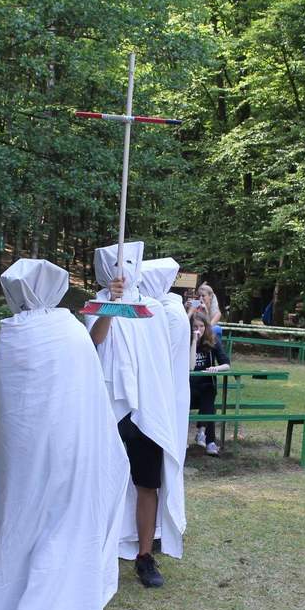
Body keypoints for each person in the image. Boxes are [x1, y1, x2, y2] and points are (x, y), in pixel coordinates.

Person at [0, 258, 130, 610]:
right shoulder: (63, 328)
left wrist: (110, 304)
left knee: (25, 515)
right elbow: (84, 373)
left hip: (25, 453)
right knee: (57, 518)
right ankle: (48, 602)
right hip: (63, 445)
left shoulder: (14, 331)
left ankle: (12, 596)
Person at [85, 241, 183, 588]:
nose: (122, 272)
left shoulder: (151, 308)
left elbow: (160, 361)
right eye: (116, 266)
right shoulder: (96, 304)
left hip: (146, 408)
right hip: (108, 406)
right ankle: (95, 550)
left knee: (147, 482)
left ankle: (144, 555)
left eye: (127, 265)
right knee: (101, 480)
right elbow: (94, 341)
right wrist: (110, 306)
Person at [138, 256, 189, 526]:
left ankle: (160, 525)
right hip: (162, 393)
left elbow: (157, 357)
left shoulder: (169, 312)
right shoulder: (168, 308)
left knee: (160, 466)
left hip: (163, 396)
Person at [189, 311, 231, 456]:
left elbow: (227, 365)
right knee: (207, 405)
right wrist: (194, 342)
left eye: (201, 326)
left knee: (209, 394)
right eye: (195, 326)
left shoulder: (213, 340)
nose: (198, 330)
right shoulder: (185, 341)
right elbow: (191, 367)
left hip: (206, 387)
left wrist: (216, 368)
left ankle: (210, 441)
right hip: (188, 387)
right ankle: (198, 435)